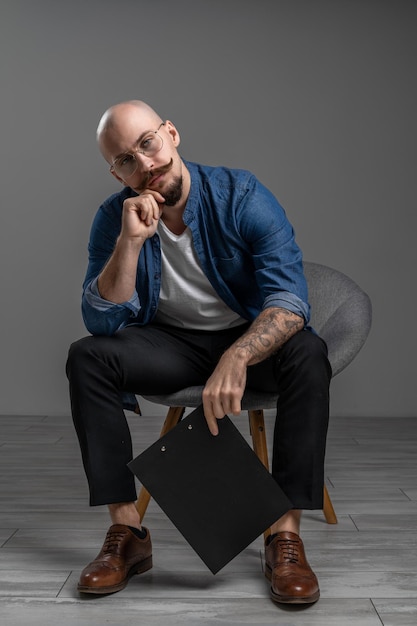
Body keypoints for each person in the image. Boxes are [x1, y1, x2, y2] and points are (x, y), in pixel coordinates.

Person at [66, 99, 331, 605]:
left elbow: (290, 300)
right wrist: (130, 243)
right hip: (173, 344)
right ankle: (128, 536)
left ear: (171, 133)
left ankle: (284, 536)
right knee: (88, 356)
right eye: (125, 160)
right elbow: (101, 321)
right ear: (115, 171)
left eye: (148, 144)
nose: (144, 164)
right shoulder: (114, 218)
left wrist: (237, 356)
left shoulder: (242, 195)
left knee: (309, 352)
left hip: (248, 338)